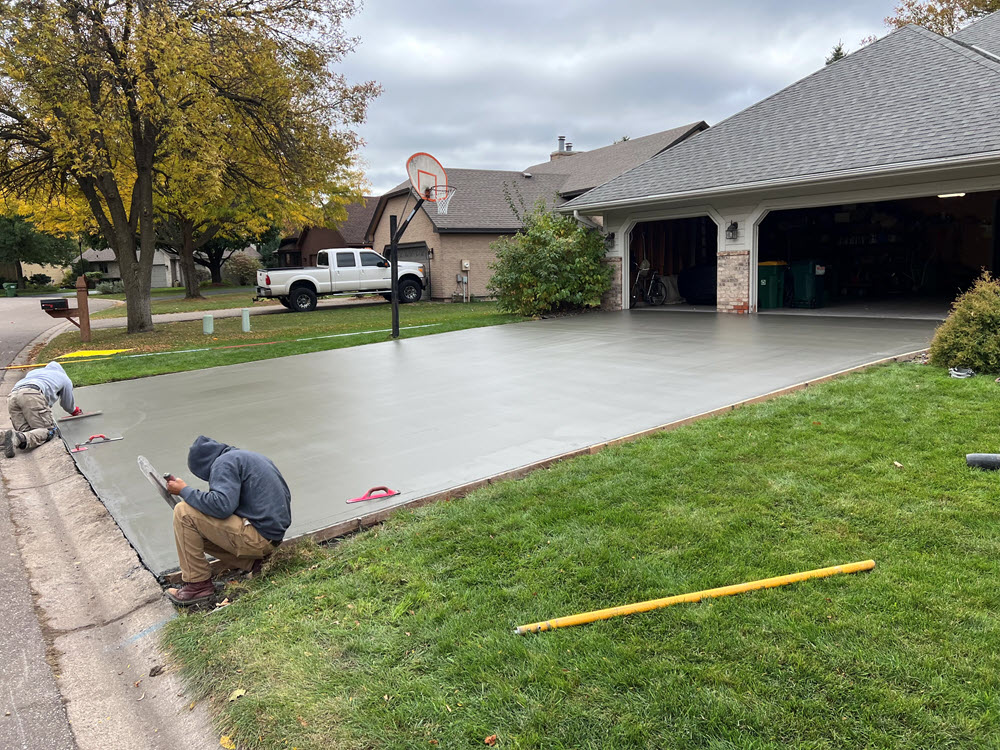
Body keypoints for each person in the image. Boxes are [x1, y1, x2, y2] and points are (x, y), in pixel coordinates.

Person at [165, 435, 292, 605]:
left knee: (184, 513)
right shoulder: (244, 457)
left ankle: (198, 586)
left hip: (257, 539)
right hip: (271, 537)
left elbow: (221, 507)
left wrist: (184, 490)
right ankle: (255, 563)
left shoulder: (223, 463)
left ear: (203, 466)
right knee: (199, 524)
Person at [3, 361, 82, 459]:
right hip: (31, 394)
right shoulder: (64, 378)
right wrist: (74, 411)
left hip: (12, 397)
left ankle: (5, 437)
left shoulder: (34, 372)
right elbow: (67, 404)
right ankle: (18, 438)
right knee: (48, 431)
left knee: (29, 432)